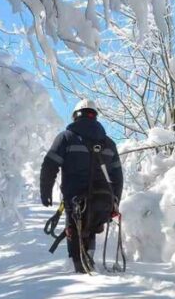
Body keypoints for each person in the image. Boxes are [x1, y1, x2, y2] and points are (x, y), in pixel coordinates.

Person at [40, 100, 124, 274]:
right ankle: (88, 260)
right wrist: (115, 202)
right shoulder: (109, 143)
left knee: (75, 230)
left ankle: (79, 270)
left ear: (76, 115)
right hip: (104, 201)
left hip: (75, 201)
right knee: (91, 229)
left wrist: (45, 191)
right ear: (94, 115)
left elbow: (50, 165)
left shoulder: (66, 137)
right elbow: (117, 177)